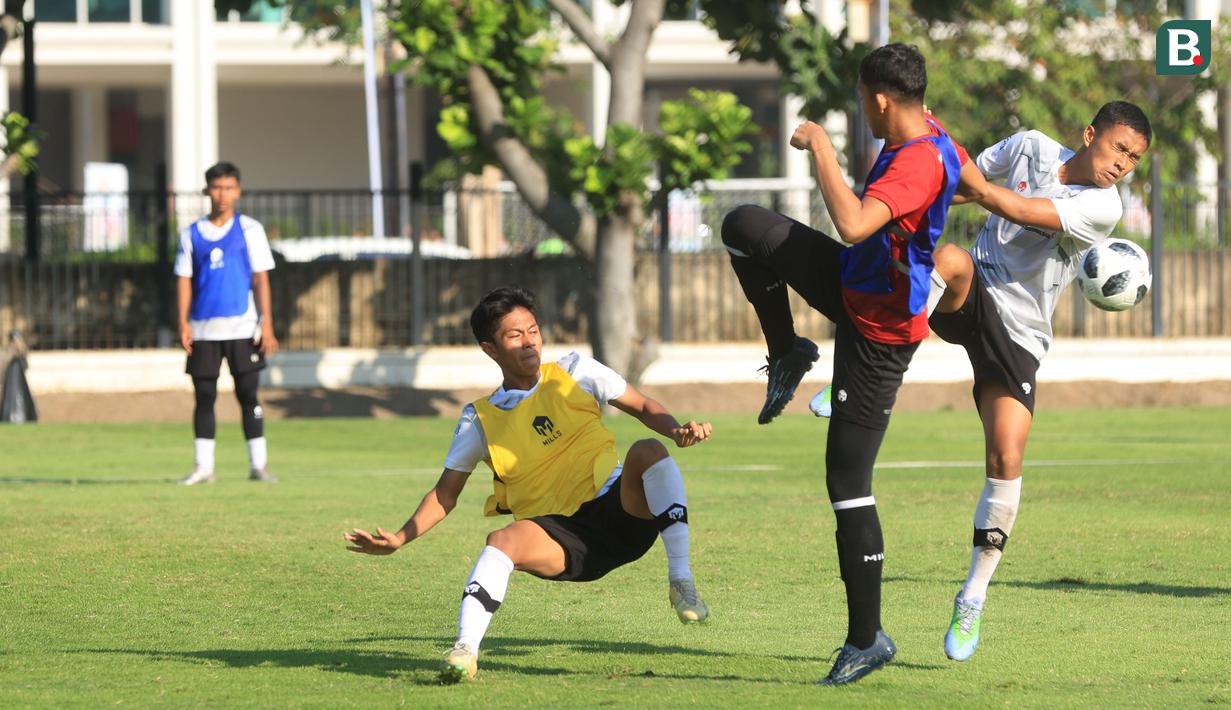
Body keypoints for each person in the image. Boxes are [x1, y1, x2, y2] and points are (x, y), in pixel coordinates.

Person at [720, 43, 969, 685]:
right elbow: (969, 183)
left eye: (862, 100)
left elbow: (855, 224)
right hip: (852, 283)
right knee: (743, 226)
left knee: (847, 480)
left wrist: (822, 148)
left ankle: (868, 638)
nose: (862, 109)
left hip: (878, 335)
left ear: (881, 100)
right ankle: (787, 351)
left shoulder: (917, 159)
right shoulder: (932, 134)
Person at [344, 286, 712, 684]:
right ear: (490, 349)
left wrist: (676, 430)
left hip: (620, 510)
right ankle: (465, 651)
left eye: (533, 330)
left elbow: (643, 406)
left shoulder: (576, 371)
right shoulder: (479, 419)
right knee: (501, 540)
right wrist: (400, 537)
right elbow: (444, 494)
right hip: (560, 537)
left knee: (648, 450)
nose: (529, 342)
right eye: (514, 335)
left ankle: (681, 582)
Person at [929, 101, 1152, 661]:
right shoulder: (1029, 145)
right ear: (1090, 134)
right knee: (950, 258)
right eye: (1118, 148)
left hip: (1021, 334)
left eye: (1134, 158)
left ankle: (973, 595)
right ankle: (864, 372)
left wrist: (940, 142)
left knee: (1006, 457)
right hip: (976, 288)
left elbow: (1015, 205)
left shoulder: (1103, 206)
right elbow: (962, 185)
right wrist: (923, 177)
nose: (1123, 163)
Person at [176, 162, 279, 485]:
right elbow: (184, 280)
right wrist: (183, 322)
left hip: (243, 328)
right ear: (208, 190)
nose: (223, 194)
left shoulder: (250, 230)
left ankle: (258, 465)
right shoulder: (191, 233)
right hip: (204, 329)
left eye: (229, 188)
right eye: (217, 187)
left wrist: (267, 324)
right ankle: (203, 468)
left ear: (238, 191)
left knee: (248, 394)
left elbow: (261, 279)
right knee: (204, 396)